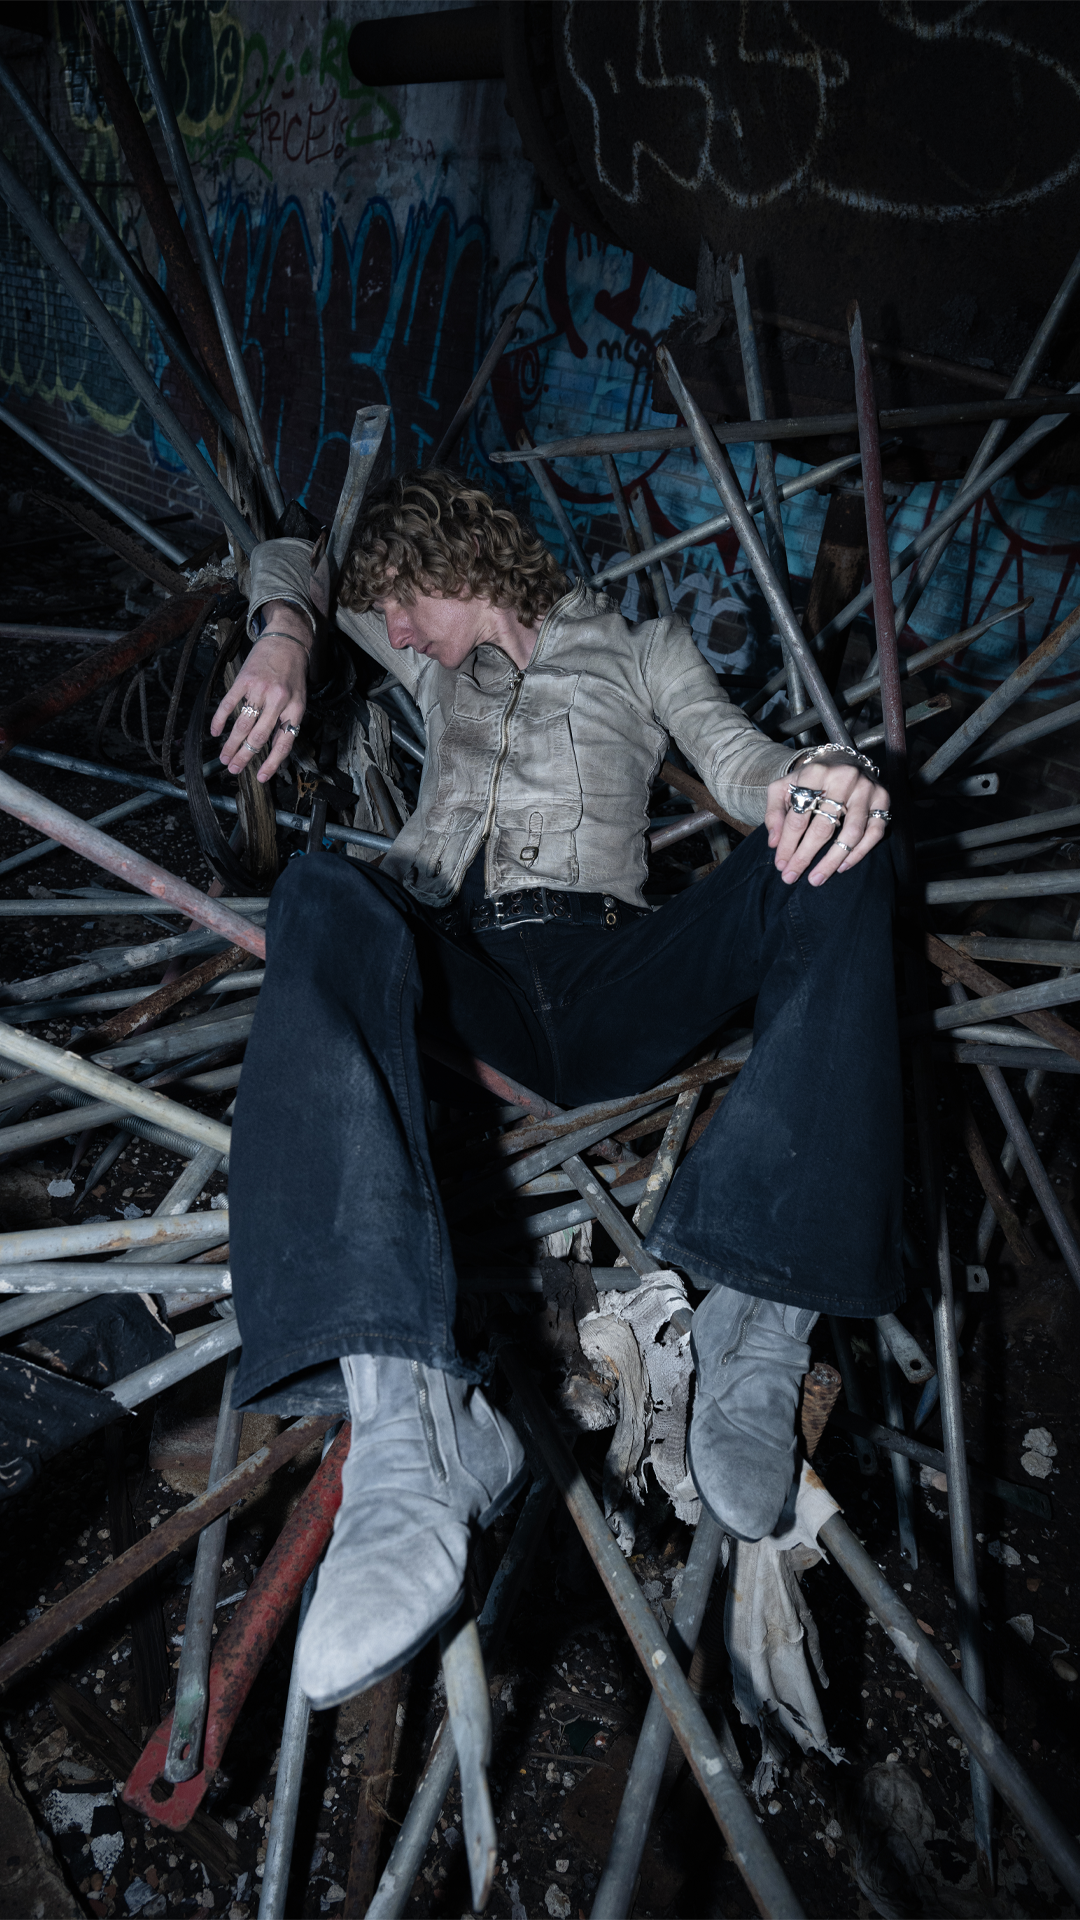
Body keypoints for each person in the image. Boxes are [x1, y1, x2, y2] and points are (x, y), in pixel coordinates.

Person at [219, 469, 900, 1711]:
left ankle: (761, 1318)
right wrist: (283, 633)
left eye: (400, 604)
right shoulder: (429, 667)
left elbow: (744, 763)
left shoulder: (645, 648)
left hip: (612, 975)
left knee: (839, 851)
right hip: (463, 979)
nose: (395, 631)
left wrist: (823, 776)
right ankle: (407, 1427)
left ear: (448, 562)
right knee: (317, 892)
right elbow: (292, 554)